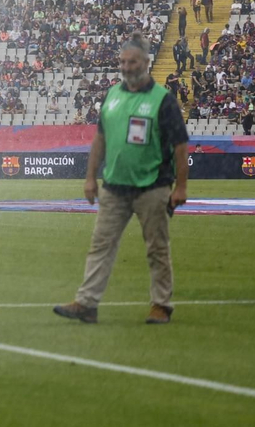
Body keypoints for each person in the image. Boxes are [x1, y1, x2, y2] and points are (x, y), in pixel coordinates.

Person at [54, 36, 189, 325]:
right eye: (123, 62)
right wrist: (90, 178)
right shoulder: (113, 95)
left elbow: (180, 145)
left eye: (133, 62)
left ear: (146, 63)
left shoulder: (162, 100)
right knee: (100, 246)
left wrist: (181, 186)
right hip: (114, 187)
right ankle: (87, 304)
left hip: (152, 186)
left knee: (157, 248)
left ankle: (161, 305)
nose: (127, 67)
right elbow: (100, 139)